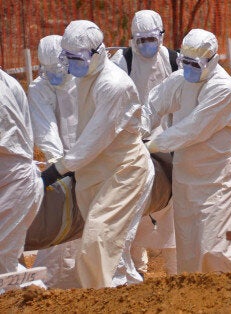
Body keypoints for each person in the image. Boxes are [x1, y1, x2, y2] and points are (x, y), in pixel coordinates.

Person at [42, 20, 154, 288]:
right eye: (67, 57)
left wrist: (55, 171)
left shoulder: (113, 85)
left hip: (123, 173)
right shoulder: (85, 76)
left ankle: (102, 302)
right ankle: (129, 295)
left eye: (76, 58)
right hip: (94, 173)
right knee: (113, 250)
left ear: (97, 52)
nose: (71, 64)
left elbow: (94, 138)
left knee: (98, 240)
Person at [144, 29, 231, 273]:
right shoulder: (181, 80)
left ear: (213, 60)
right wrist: (136, 133)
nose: (189, 68)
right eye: (185, 62)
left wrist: (150, 146)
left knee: (215, 250)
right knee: (189, 255)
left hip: (218, 180)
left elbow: (192, 130)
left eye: (196, 64)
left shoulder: (222, 88)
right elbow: (152, 105)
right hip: (186, 179)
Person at [110, 9, 177, 276]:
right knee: (135, 203)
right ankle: (138, 267)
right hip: (134, 142)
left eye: (151, 39)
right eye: (140, 40)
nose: (146, 45)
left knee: (172, 206)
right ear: (132, 40)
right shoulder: (121, 62)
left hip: (168, 142)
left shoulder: (172, 60)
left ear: (161, 35)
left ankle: (175, 270)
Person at [27, 34, 81, 288]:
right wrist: (61, 164)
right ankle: (48, 286)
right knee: (59, 227)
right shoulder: (38, 89)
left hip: (87, 160)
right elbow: (45, 128)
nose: (55, 75)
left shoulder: (83, 80)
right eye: (50, 71)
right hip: (60, 166)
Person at [0, 69, 44, 275]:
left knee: (3, 261)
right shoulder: (8, 82)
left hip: (14, 184)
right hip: (15, 180)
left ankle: (34, 298)